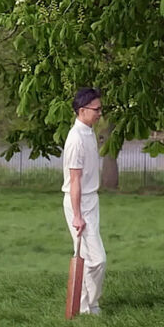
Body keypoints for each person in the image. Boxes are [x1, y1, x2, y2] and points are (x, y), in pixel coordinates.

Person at [62, 87, 105, 315]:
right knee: (97, 259)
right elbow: (74, 179)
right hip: (78, 202)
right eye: (96, 109)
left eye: (100, 109)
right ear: (82, 110)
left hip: (91, 200)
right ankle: (86, 305)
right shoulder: (76, 139)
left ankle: (88, 306)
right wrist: (77, 215)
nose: (100, 113)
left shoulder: (88, 132)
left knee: (90, 257)